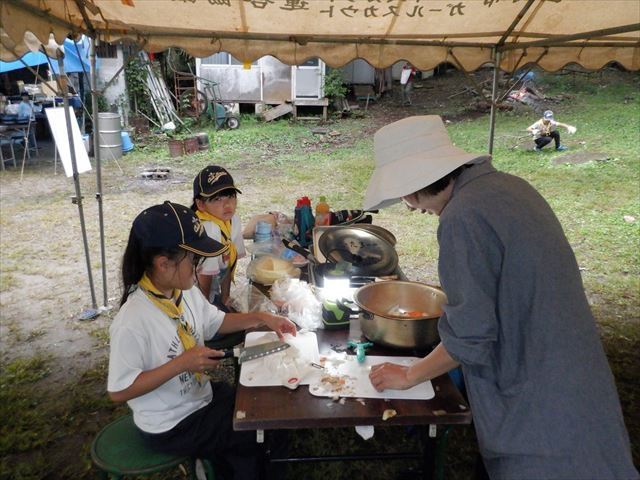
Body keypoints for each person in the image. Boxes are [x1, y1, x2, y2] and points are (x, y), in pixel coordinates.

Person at [364, 116, 638, 479]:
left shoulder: (462, 216)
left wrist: (410, 375)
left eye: (406, 195)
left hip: (535, 396)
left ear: (414, 187)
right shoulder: (510, 186)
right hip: (576, 375)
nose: (412, 207)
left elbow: (471, 336)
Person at [108, 201, 297, 479]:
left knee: (263, 409)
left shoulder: (182, 291)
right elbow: (119, 391)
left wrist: (261, 319)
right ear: (163, 264)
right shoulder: (133, 320)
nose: (199, 267)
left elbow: (216, 322)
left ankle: (225, 467)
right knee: (263, 431)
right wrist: (181, 363)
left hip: (199, 398)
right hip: (172, 423)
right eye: (194, 260)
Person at [191, 165, 246, 310]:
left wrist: (225, 297)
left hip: (212, 289)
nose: (227, 204)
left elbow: (228, 261)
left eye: (231, 196)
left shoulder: (233, 220)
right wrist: (206, 310)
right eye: (217, 199)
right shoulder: (206, 229)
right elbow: (204, 276)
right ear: (201, 204)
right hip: (195, 296)